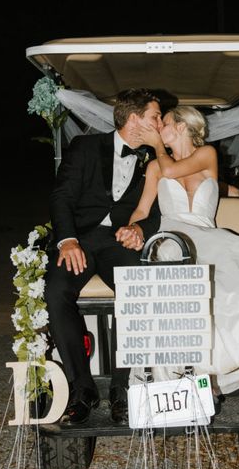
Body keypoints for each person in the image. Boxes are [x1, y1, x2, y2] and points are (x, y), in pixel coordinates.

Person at [116, 105, 239, 396]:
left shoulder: (206, 155)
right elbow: (141, 209)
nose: (158, 128)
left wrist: (155, 145)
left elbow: (173, 170)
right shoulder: (154, 168)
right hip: (172, 238)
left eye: (163, 123)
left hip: (206, 232)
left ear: (180, 126)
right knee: (183, 269)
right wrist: (132, 228)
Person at [45, 88, 163, 424]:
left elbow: (153, 211)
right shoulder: (85, 147)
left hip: (118, 243)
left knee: (136, 288)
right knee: (56, 292)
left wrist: (140, 229)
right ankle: (81, 388)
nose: (160, 122)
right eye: (155, 116)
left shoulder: (153, 161)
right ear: (135, 118)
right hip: (79, 239)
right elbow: (61, 196)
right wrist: (67, 240)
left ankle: (122, 389)